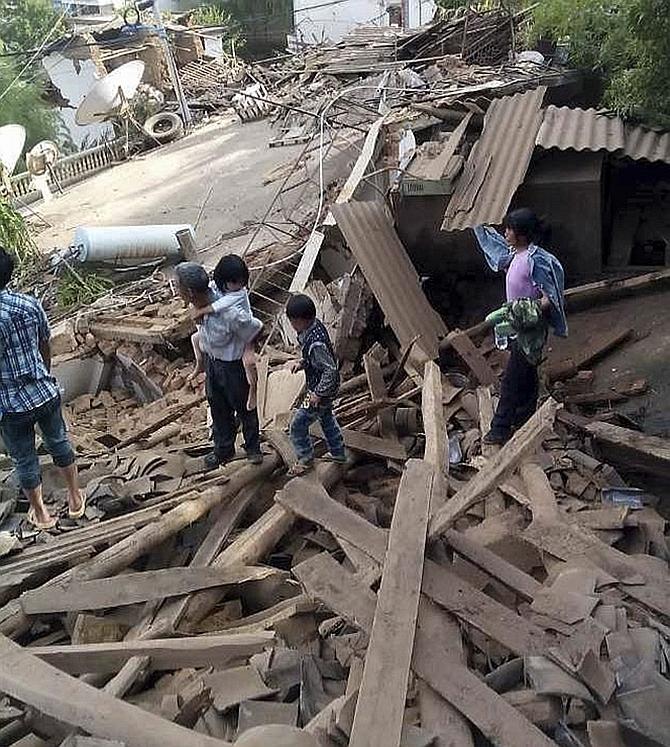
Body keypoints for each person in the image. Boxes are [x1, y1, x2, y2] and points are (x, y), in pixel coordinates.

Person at [0, 247, 85, 530]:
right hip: (43, 391)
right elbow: (44, 343)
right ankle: (75, 499)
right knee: (59, 442)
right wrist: (43, 373)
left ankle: (42, 514)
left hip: (11, 404)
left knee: (24, 458)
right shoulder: (28, 304)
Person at [473, 208, 567, 445]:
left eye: (509, 229)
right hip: (517, 326)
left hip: (530, 330)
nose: (505, 233)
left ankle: (499, 429)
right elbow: (495, 249)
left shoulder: (535, 261)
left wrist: (527, 308)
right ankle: (526, 416)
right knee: (525, 373)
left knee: (511, 380)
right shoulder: (515, 255)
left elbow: (550, 298)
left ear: (522, 235)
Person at [175, 261, 262, 470]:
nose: (176, 292)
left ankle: (253, 448)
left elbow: (256, 327)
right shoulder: (199, 302)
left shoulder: (230, 314)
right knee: (218, 407)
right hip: (213, 363)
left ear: (189, 292)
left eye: (177, 287)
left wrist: (249, 350)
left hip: (233, 367)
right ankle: (224, 449)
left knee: (244, 408)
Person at [189, 254, 259, 410]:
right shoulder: (217, 286)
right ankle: (199, 364)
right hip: (224, 341)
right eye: (235, 282)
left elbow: (220, 305)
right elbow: (208, 293)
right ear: (223, 280)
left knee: (248, 363)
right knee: (195, 339)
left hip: (247, 334)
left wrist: (202, 311)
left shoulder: (238, 294)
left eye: (242, 282)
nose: (239, 285)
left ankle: (253, 388)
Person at [286, 294, 346, 475]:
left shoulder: (316, 343)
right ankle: (338, 452)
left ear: (301, 320)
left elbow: (330, 370)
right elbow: (318, 361)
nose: (292, 326)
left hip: (319, 392)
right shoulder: (314, 327)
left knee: (297, 425)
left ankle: (305, 459)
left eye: (292, 322)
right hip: (322, 390)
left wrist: (318, 394)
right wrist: (303, 362)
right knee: (326, 418)